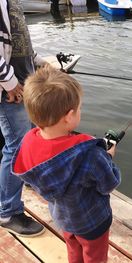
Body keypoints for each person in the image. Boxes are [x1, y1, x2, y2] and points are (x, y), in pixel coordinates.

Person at [12, 65, 121, 263]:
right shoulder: (91, 154)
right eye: (80, 108)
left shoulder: (28, 142)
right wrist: (109, 157)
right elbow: (109, 184)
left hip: (63, 219)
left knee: (73, 251)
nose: (80, 111)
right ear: (69, 116)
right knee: (94, 257)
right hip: (92, 221)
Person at [0, 0, 45, 236]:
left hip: (23, 84)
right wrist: (9, 83)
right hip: (9, 91)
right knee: (16, 148)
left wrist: (39, 63)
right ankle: (8, 212)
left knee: (31, 139)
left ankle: (28, 178)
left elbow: (19, 41)